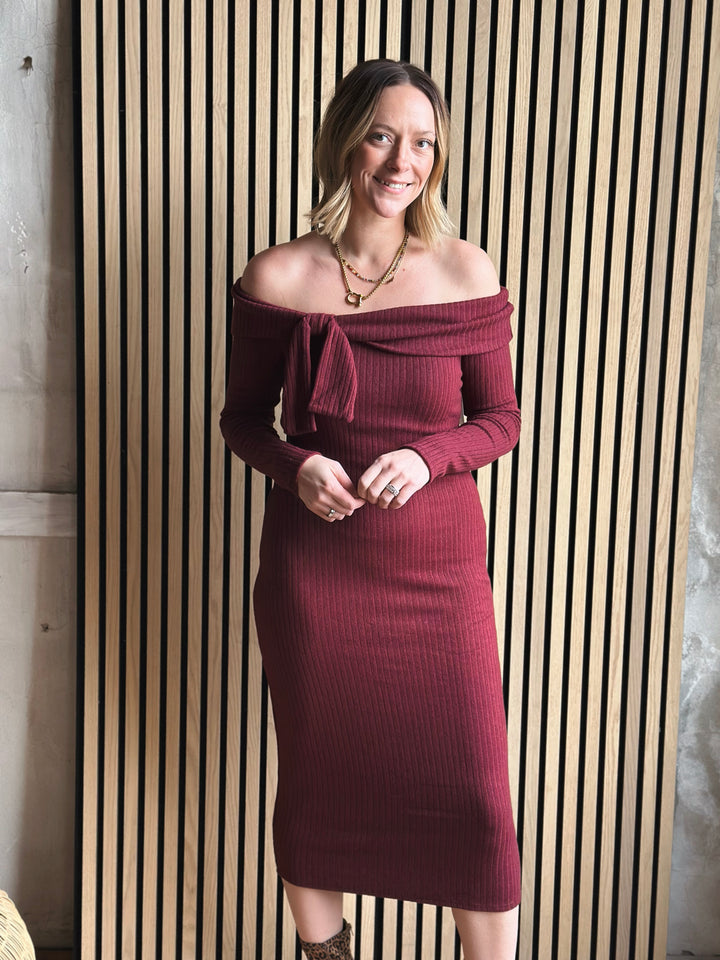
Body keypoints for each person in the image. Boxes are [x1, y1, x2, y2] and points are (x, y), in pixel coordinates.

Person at [220, 59, 521, 960]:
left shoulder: (466, 267)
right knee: (321, 784)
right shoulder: (275, 276)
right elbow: (241, 420)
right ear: (344, 139)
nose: (403, 161)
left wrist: (428, 459)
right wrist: (296, 464)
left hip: (439, 580)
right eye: (384, 134)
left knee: (474, 804)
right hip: (319, 580)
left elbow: (499, 419)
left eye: (423, 141)